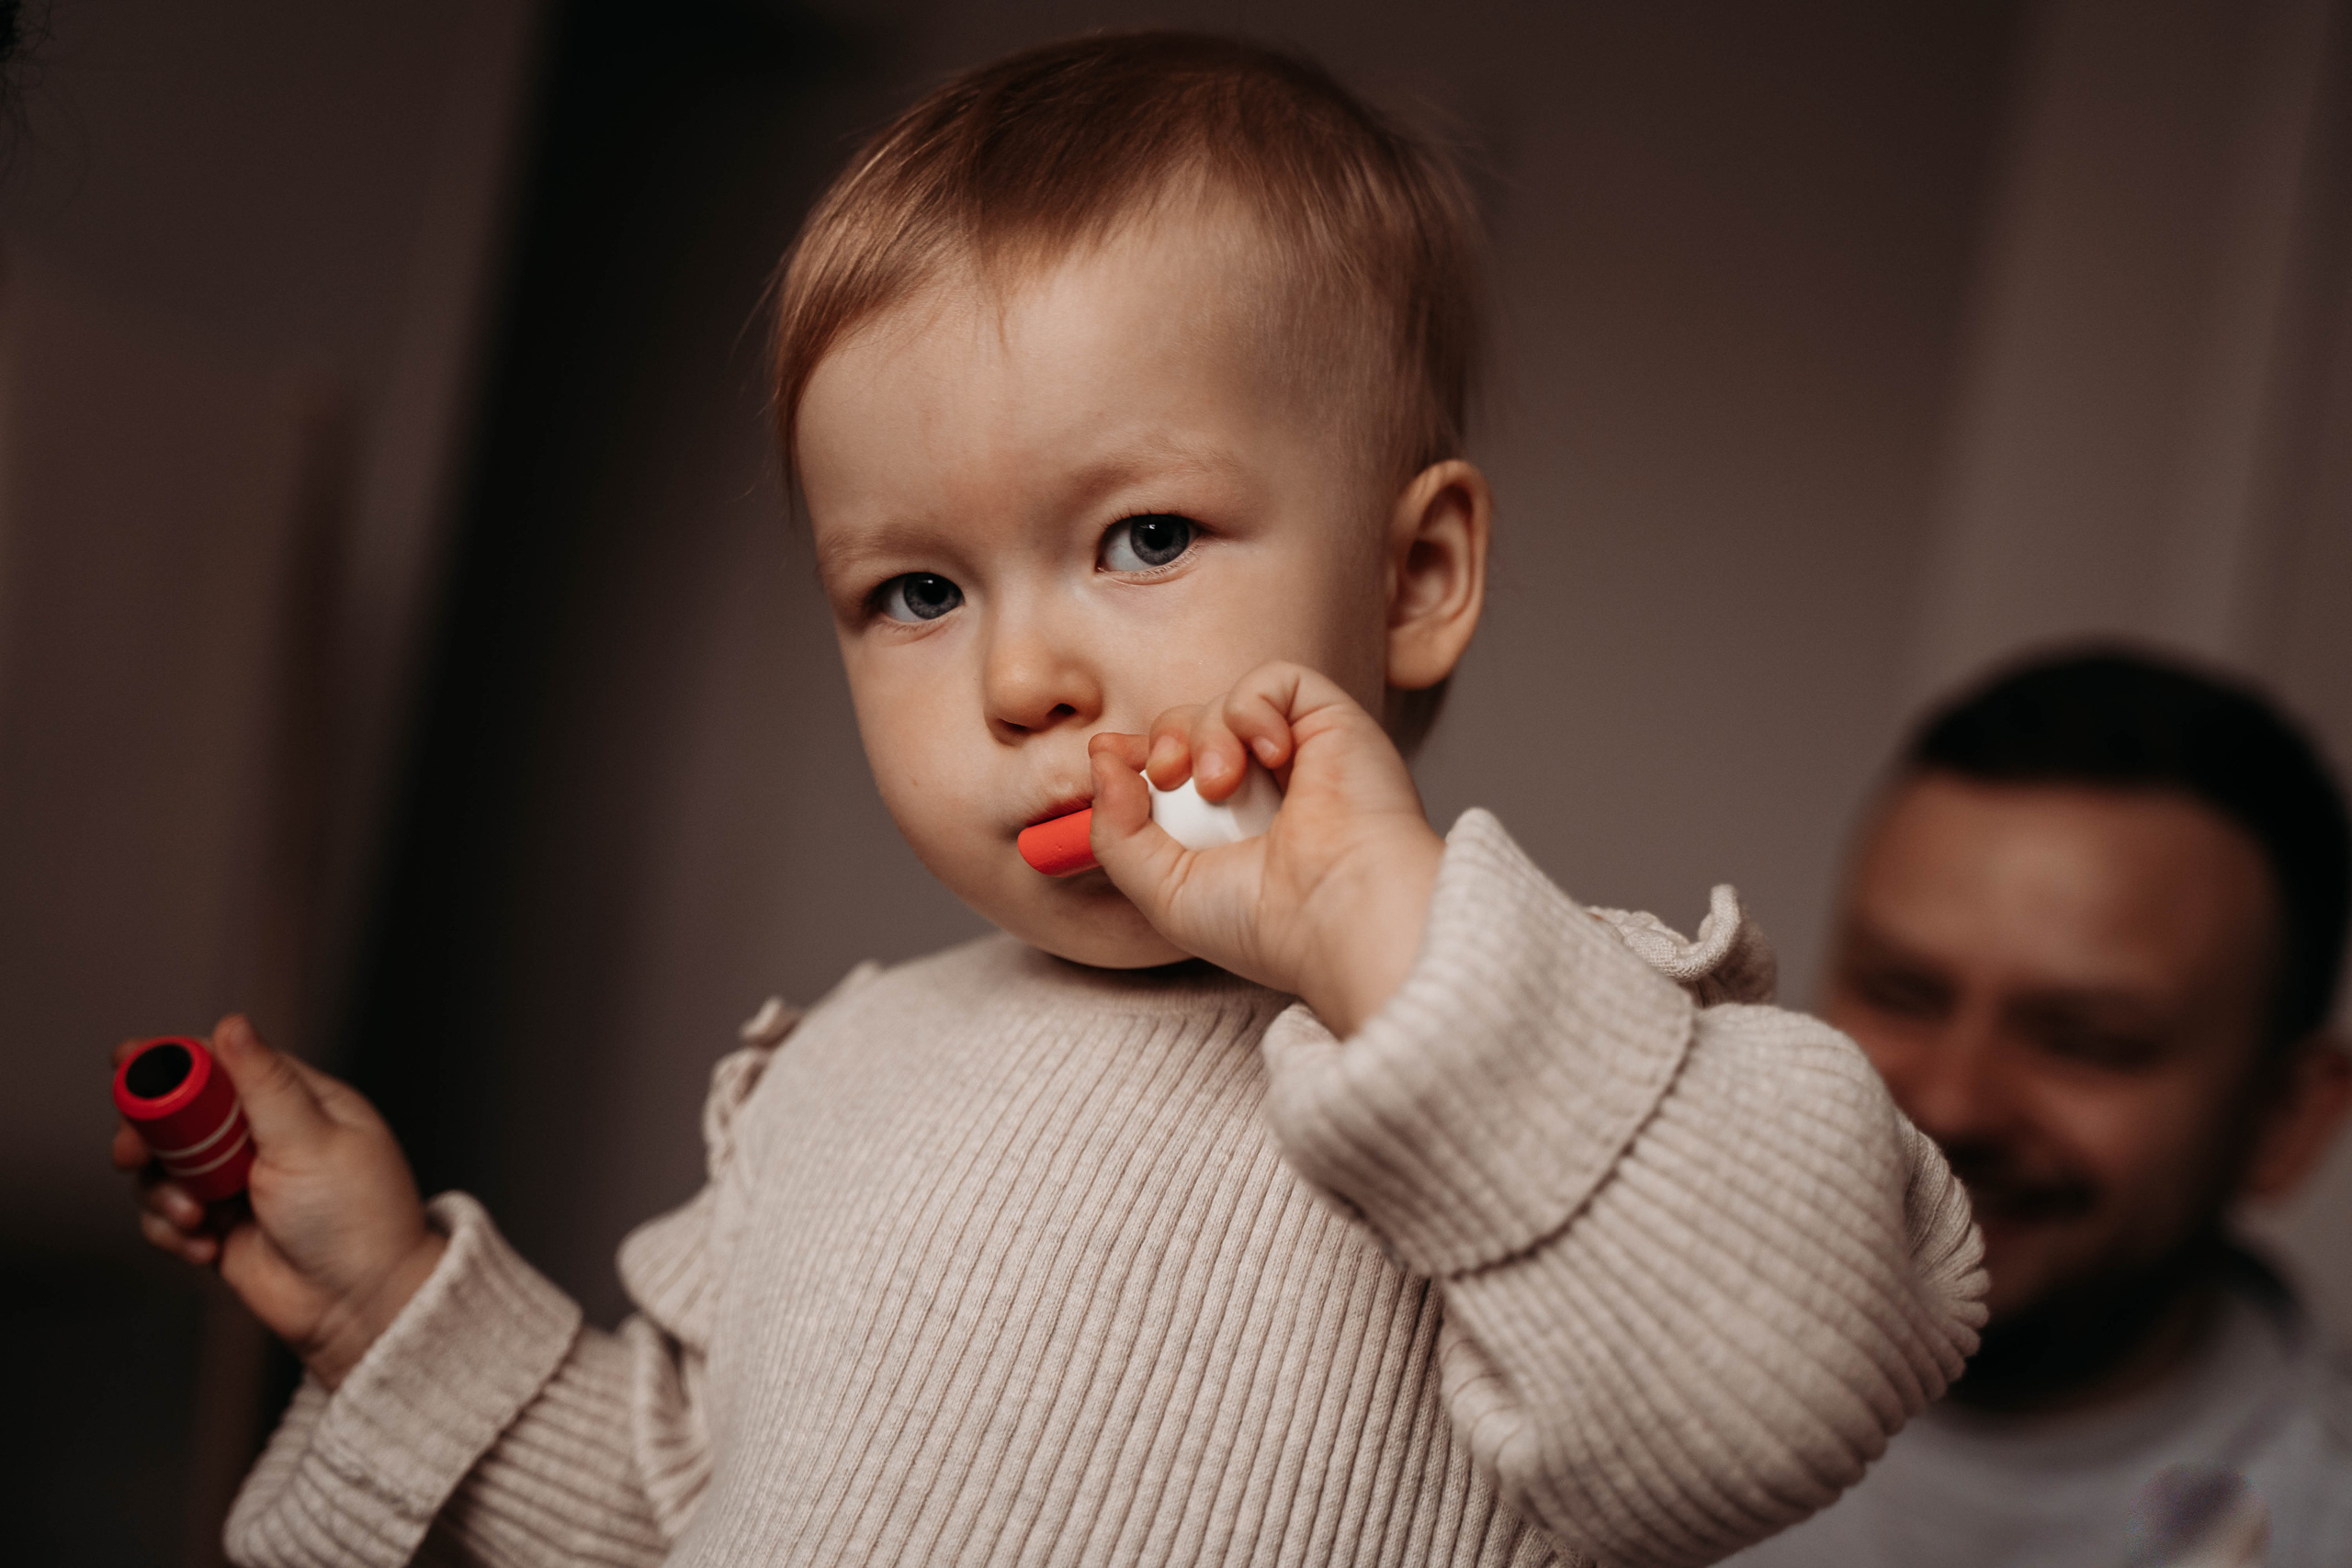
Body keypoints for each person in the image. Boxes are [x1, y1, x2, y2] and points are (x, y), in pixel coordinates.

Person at [115, 34, 1984, 1568]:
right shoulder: (842, 1069)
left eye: (1144, 537)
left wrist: (1396, 956)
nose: (1021, 680)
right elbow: (686, 1516)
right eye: (917, 591)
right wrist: (391, 1304)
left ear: (1414, 575)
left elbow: (1779, 1390)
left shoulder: (1545, 1041)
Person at [1728, 650, 2352, 1568]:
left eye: (2084, 1041)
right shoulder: (1565, 1425)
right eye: (1900, 994)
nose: (1952, 1103)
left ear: (2283, 1120)